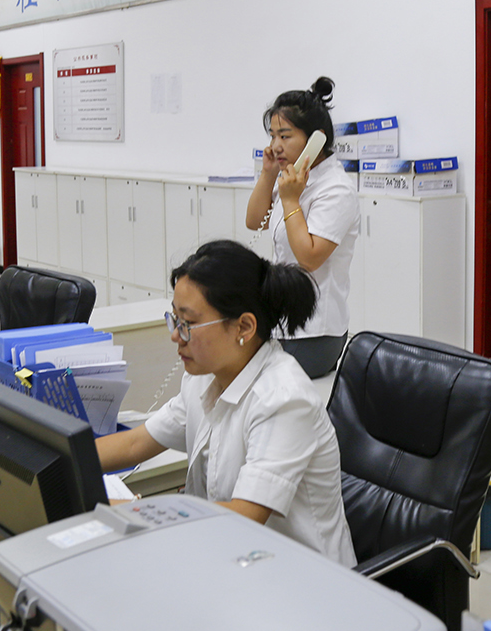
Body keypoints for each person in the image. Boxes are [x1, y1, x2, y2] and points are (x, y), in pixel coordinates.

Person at [96, 240, 355, 567]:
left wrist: (118, 509)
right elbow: (135, 444)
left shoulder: (283, 399)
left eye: (187, 324)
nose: (175, 336)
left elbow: (243, 517)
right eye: (174, 319)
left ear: (243, 327)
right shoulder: (205, 377)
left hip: (302, 576)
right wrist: (64, 460)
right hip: (229, 556)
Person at [243, 76, 360, 378]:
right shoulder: (292, 176)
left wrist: (290, 200)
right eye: (272, 136)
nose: (275, 146)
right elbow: (254, 221)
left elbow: (309, 258)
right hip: (282, 321)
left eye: (285, 136)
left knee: (247, 376)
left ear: (315, 140)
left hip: (315, 333)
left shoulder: (336, 189)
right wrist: (268, 174)